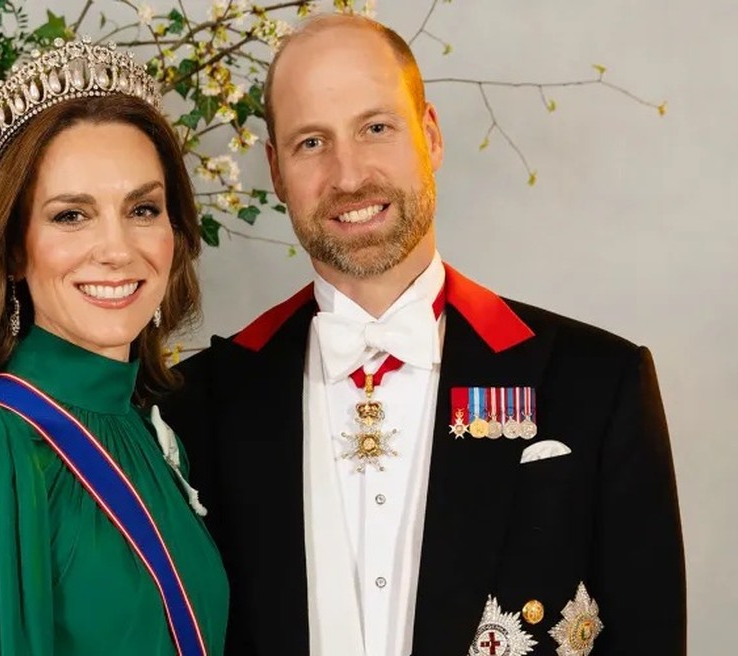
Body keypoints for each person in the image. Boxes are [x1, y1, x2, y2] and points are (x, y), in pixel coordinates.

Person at [160, 14, 685, 656]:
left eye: (376, 128)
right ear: (275, 169)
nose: (348, 176)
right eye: (311, 142)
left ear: (430, 136)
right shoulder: (193, 406)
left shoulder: (598, 383)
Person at [0, 38, 228, 655]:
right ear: (11, 248)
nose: (117, 250)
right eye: (70, 216)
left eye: (142, 209)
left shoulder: (150, 433)